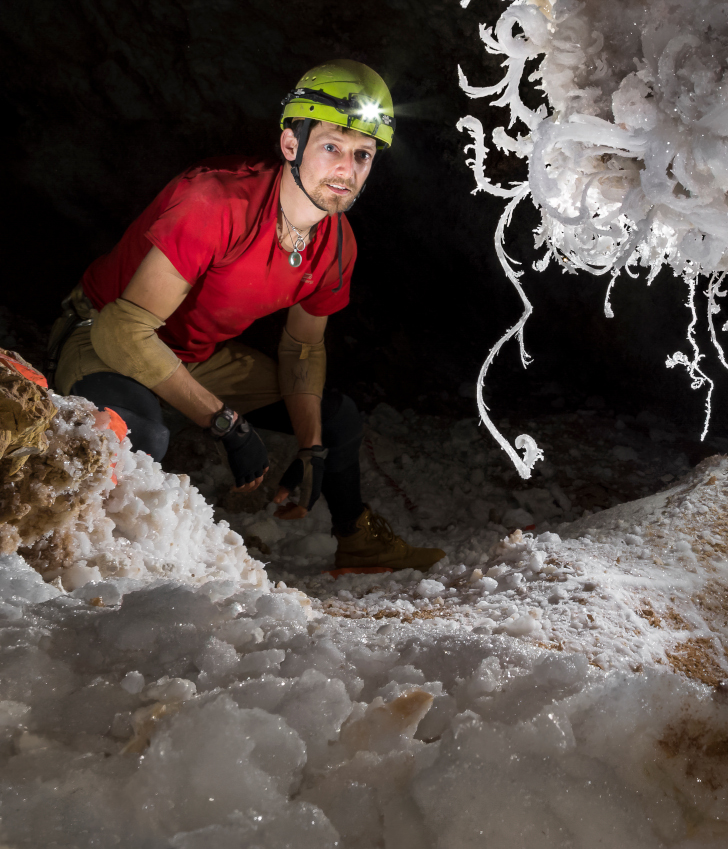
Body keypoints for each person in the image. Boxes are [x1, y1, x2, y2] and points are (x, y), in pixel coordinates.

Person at [47, 60, 443, 571]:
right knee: (142, 434)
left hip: (190, 356)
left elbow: (303, 348)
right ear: (290, 145)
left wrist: (312, 447)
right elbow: (123, 329)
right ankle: (80, 557)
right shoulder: (217, 202)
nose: (346, 169)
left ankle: (360, 541)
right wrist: (224, 422)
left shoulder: (338, 246)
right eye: (331, 147)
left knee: (334, 418)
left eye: (362, 155)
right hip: (100, 331)